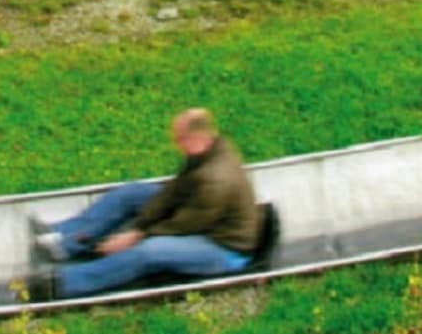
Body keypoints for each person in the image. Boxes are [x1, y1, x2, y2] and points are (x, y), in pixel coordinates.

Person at [26, 109, 260, 302]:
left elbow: (185, 225)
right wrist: (138, 225)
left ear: (194, 138)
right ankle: (64, 240)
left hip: (223, 247)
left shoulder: (215, 178)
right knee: (133, 194)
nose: (175, 144)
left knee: (149, 252)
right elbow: (173, 192)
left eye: (178, 139)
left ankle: (62, 284)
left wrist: (137, 236)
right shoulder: (205, 152)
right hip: (197, 214)